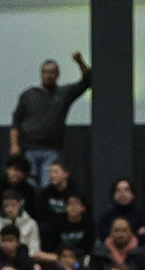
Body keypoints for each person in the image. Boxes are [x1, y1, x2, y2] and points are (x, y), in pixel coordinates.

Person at [10, 55, 91, 187]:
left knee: (48, 184)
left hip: (52, 150)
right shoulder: (29, 95)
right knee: (29, 185)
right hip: (28, 149)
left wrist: (80, 62)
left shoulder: (64, 93)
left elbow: (88, 81)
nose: (48, 75)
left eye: (52, 72)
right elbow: (16, 120)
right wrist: (14, 145)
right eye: (45, 72)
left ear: (57, 74)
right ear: (41, 74)